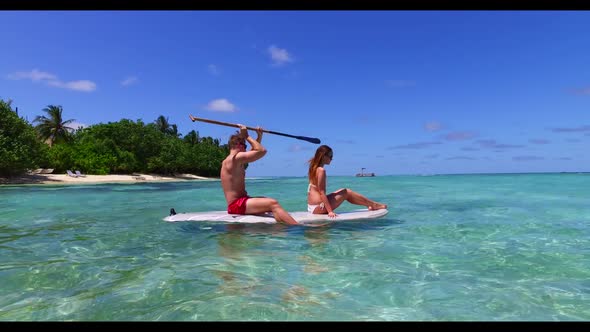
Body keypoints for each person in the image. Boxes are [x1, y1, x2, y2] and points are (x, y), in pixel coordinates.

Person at [220, 124, 299, 225]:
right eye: (245, 146)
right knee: (273, 203)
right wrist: (247, 136)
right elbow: (261, 151)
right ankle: (298, 228)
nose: (246, 149)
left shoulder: (232, 160)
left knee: (266, 201)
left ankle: (282, 228)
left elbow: (255, 151)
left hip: (241, 202)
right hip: (237, 205)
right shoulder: (235, 158)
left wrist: (259, 136)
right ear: (239, 145)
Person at [307, 145, 387, 218]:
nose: (332, 158)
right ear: (323, 156)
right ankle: (374, 205)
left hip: (313, 206)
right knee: (346, 193)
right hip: (318, 208)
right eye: (330, 156)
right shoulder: (321, 170)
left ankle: (371, 204)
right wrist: (330, 212)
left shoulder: (313, 168)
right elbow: (322, 192)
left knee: (344, 191)